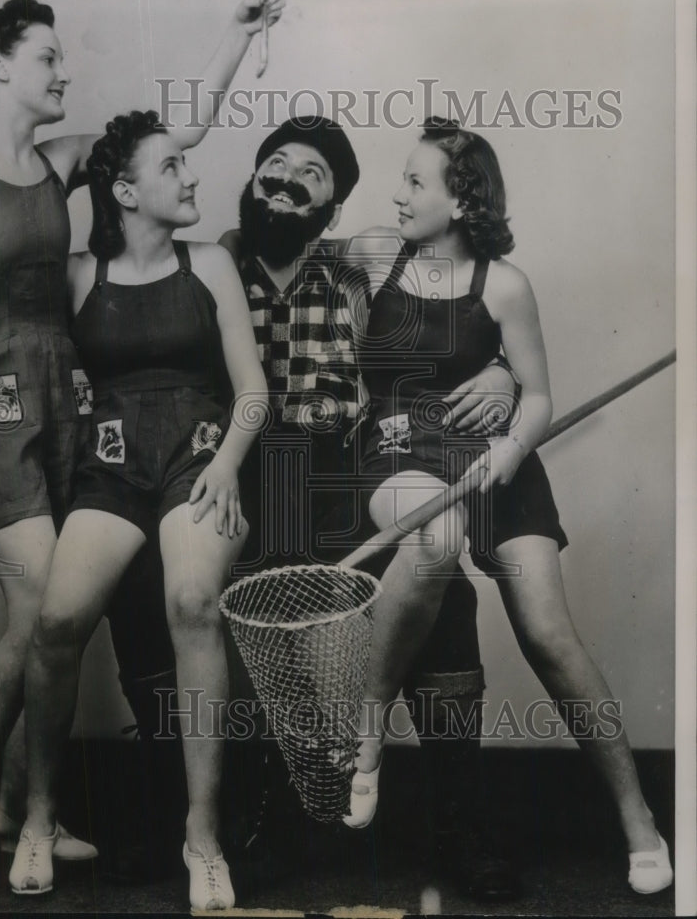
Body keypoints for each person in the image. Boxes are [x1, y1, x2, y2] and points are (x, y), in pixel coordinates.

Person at [0, 0, 282, 893]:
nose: (64, 70)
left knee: (54, 618)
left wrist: (233, 34)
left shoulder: (60, 159)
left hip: (64, 410)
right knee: (42, 612)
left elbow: (173, 138)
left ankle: (10, 810)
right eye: (47, 57)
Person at [105, 115, 521, 901]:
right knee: (146, 591)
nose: (285, 178)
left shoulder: (356, 261)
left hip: (336, 468)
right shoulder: (206, 260)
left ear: (331, 209)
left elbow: (457, 298)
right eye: (275, 163)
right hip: (232, 468)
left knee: (445, 588)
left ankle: (458, 827)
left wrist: (499, 366)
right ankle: (190, 819)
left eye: (311, 174)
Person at [345, 117, 673, 896]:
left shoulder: (504, 284)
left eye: (416, 182)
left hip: (498, 461)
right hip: (401, 449)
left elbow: (539, 396)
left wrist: (510, 443)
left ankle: (639, 823)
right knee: (432, 545)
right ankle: (366, 731)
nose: (397, 193)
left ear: (461, 201)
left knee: (548, 634)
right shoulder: (370, 253)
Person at [9, 110, 269, 909]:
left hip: (197, 459)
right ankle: (39, 818)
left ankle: (202, 837)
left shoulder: (211, 265)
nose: (191, 177)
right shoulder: (81, 274)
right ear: (123, 190)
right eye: (171, 168)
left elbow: (253, 388)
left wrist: (226, 462)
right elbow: (9, 339)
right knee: (56, 623)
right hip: (112, 470)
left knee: (192, 602)